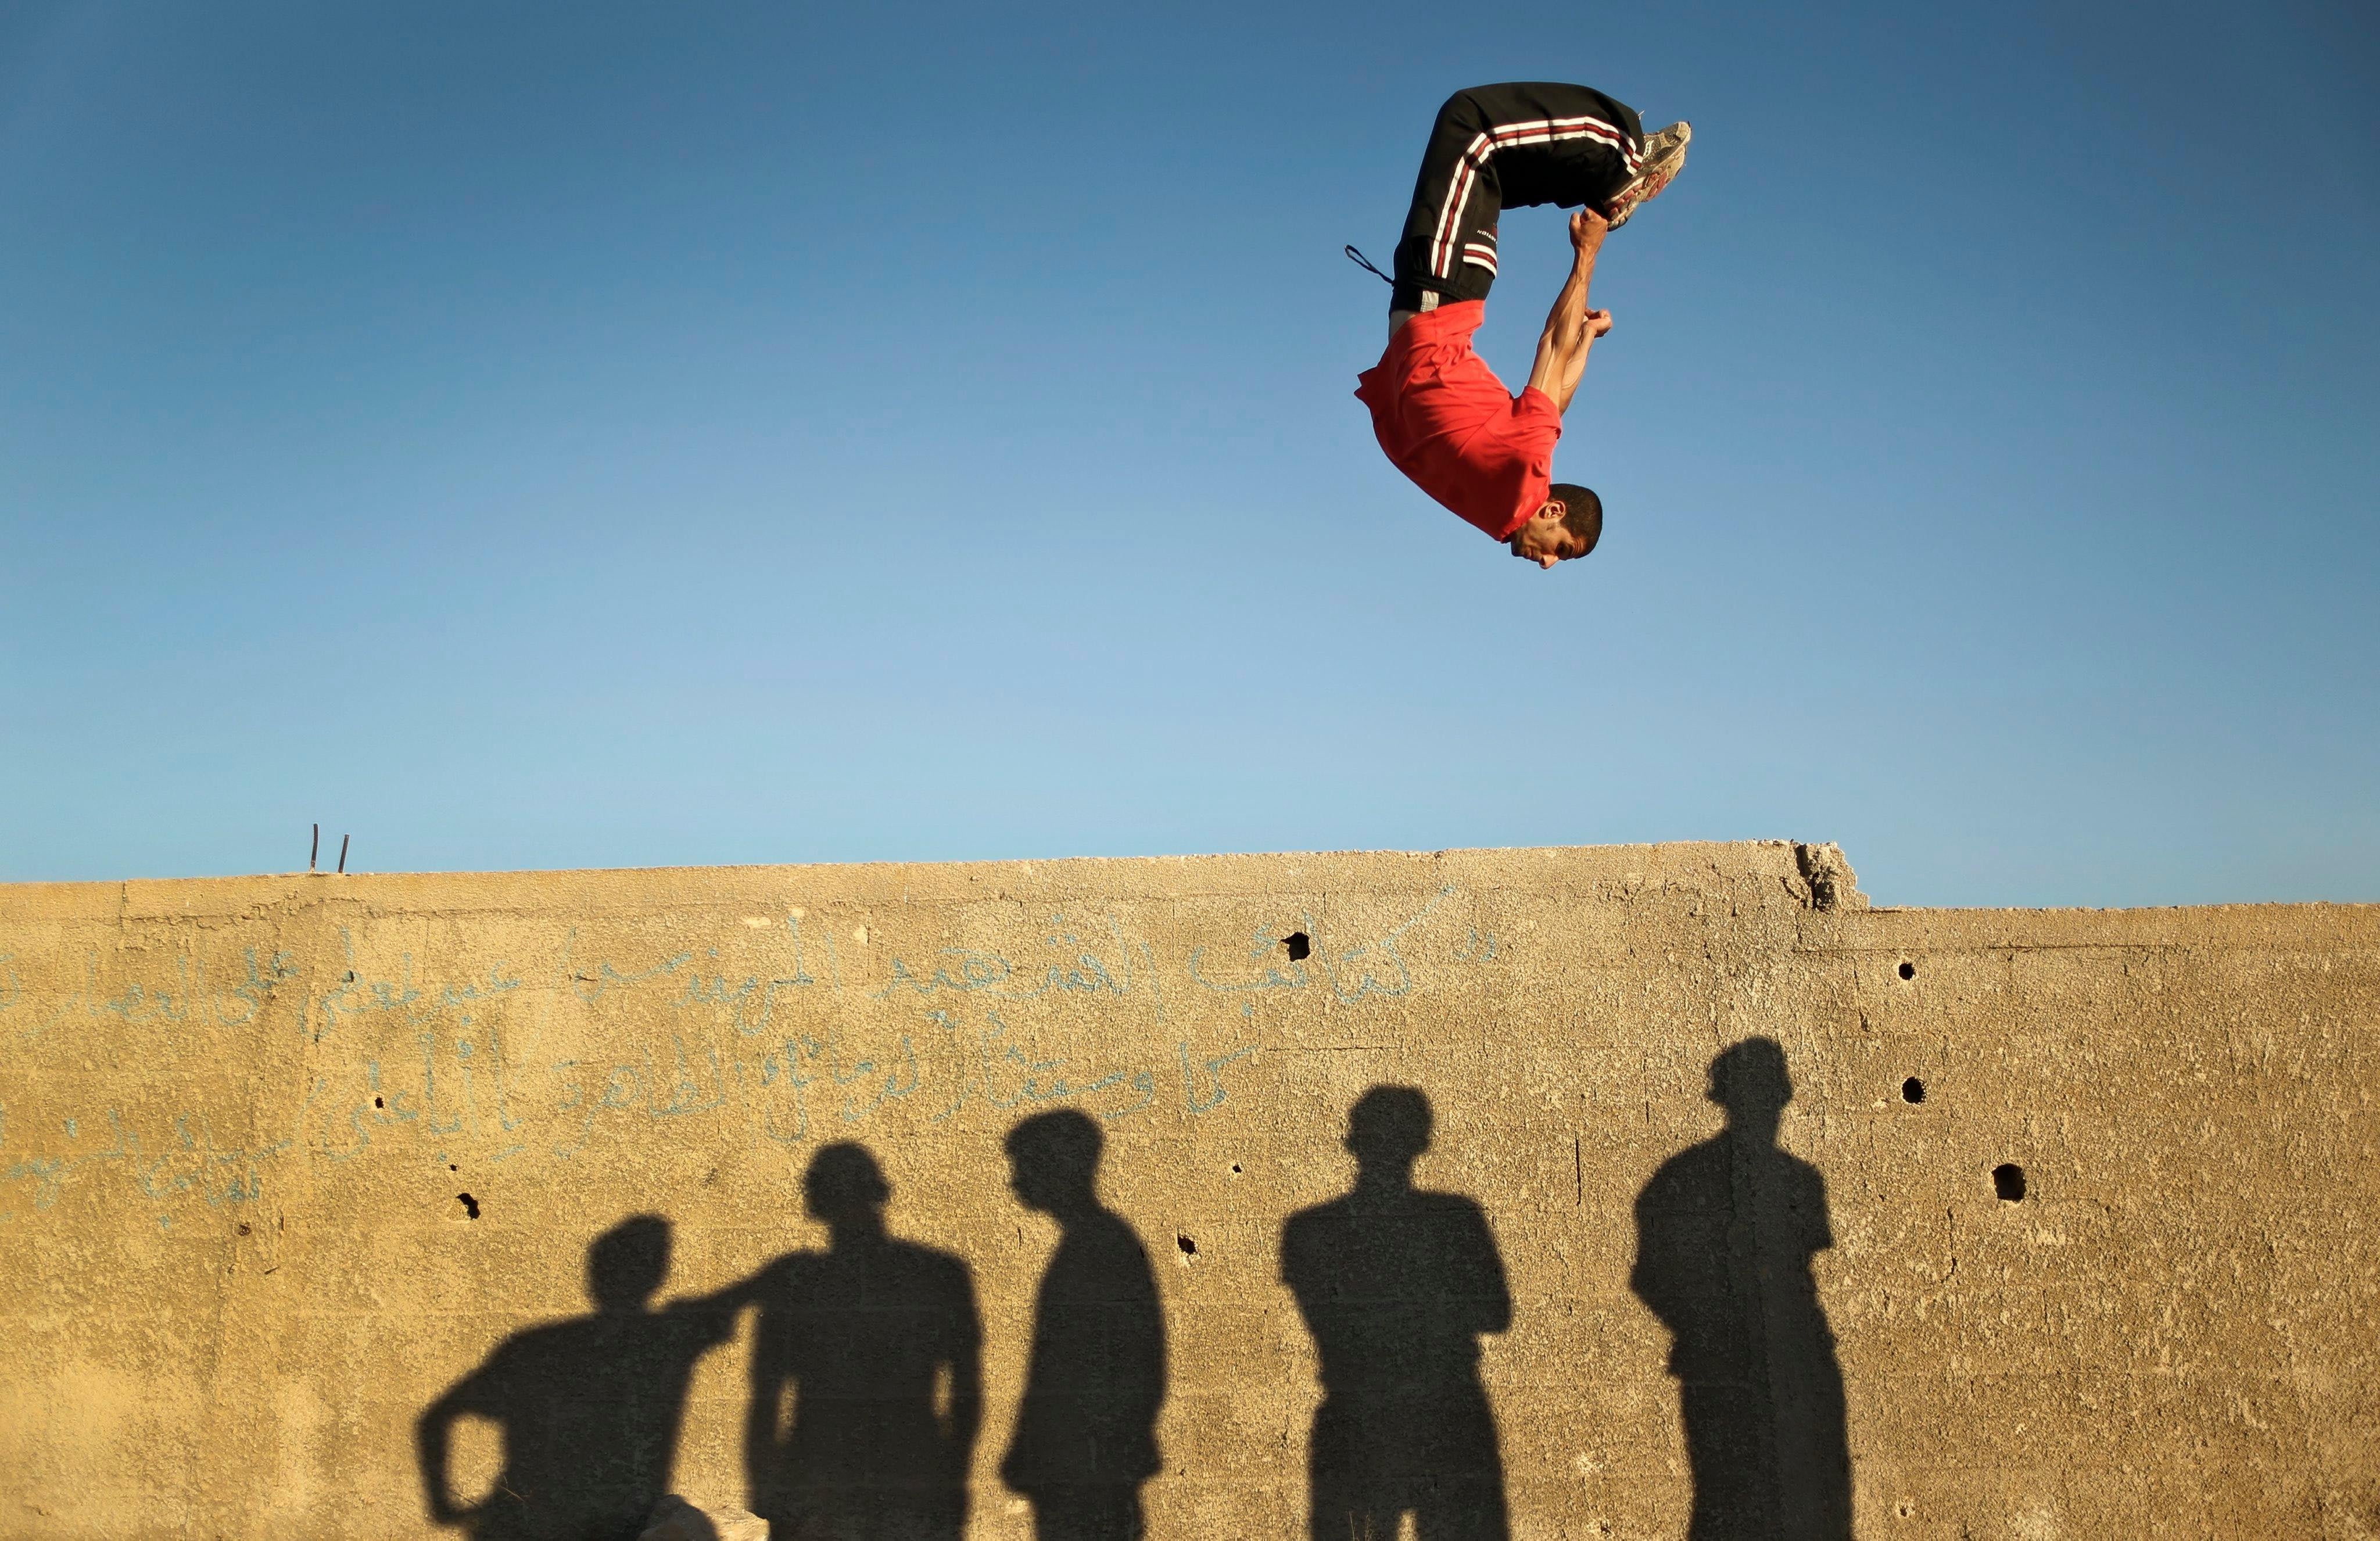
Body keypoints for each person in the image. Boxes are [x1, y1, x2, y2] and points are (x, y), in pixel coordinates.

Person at [1354, 84, 1690, 568]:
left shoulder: (1501, 503)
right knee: (1472, 124)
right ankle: (1620, 159)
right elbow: (1553, 349)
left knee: (1492, 168)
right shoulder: (1523, 467)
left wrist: (1589, 339)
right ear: (1553, 510)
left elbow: (1554, 407)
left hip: (1428, 287)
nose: (1549, 563)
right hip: (1442, 286)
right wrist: (1587, 255)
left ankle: (1606, 180)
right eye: (1562, 549)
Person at [1630, 1038, 1851, 1539]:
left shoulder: (1795, 1179)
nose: (1769, 1108)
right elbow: (1650, 1277)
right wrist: (1711, 1328)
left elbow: (1649, 1279)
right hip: (1733, 1356)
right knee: (1735, 1500)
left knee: (1792, 1498)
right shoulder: (1780, 1178)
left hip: (1788, 1352)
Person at [1280, 1087, 1513, 1541]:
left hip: (1359, 1401)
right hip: (1444, 1402)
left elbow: (1330, 1318)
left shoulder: (1309, 1230)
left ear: (1353, 1142)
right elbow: (1495, 1313)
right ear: (1422, 1143)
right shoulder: (1455, 1219)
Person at [415, 1216, 738, 1541]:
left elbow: (438, 1417)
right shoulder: (670, 1337)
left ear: (594, 1277)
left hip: (539, 1514)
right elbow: (746, 1293)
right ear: (658, 1276)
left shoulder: (534, 1344)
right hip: (600, 1513)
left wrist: (443, 1504)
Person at [743, 1142, 984, 1541]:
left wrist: (767, 1488)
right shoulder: (941, 1272)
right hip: (904, 1468)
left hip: (833, 1473)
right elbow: (967, 1389)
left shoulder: (798, 1284)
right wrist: (953, 1471)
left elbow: (765, 1402)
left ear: (814, 1203)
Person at [999, 1110, 1167, 1541]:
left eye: (1023, 1166)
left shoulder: (1099, 1246)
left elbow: (1135, 1359)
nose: (1015, 1181)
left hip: (1091, 1463)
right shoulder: (1094, 1242)